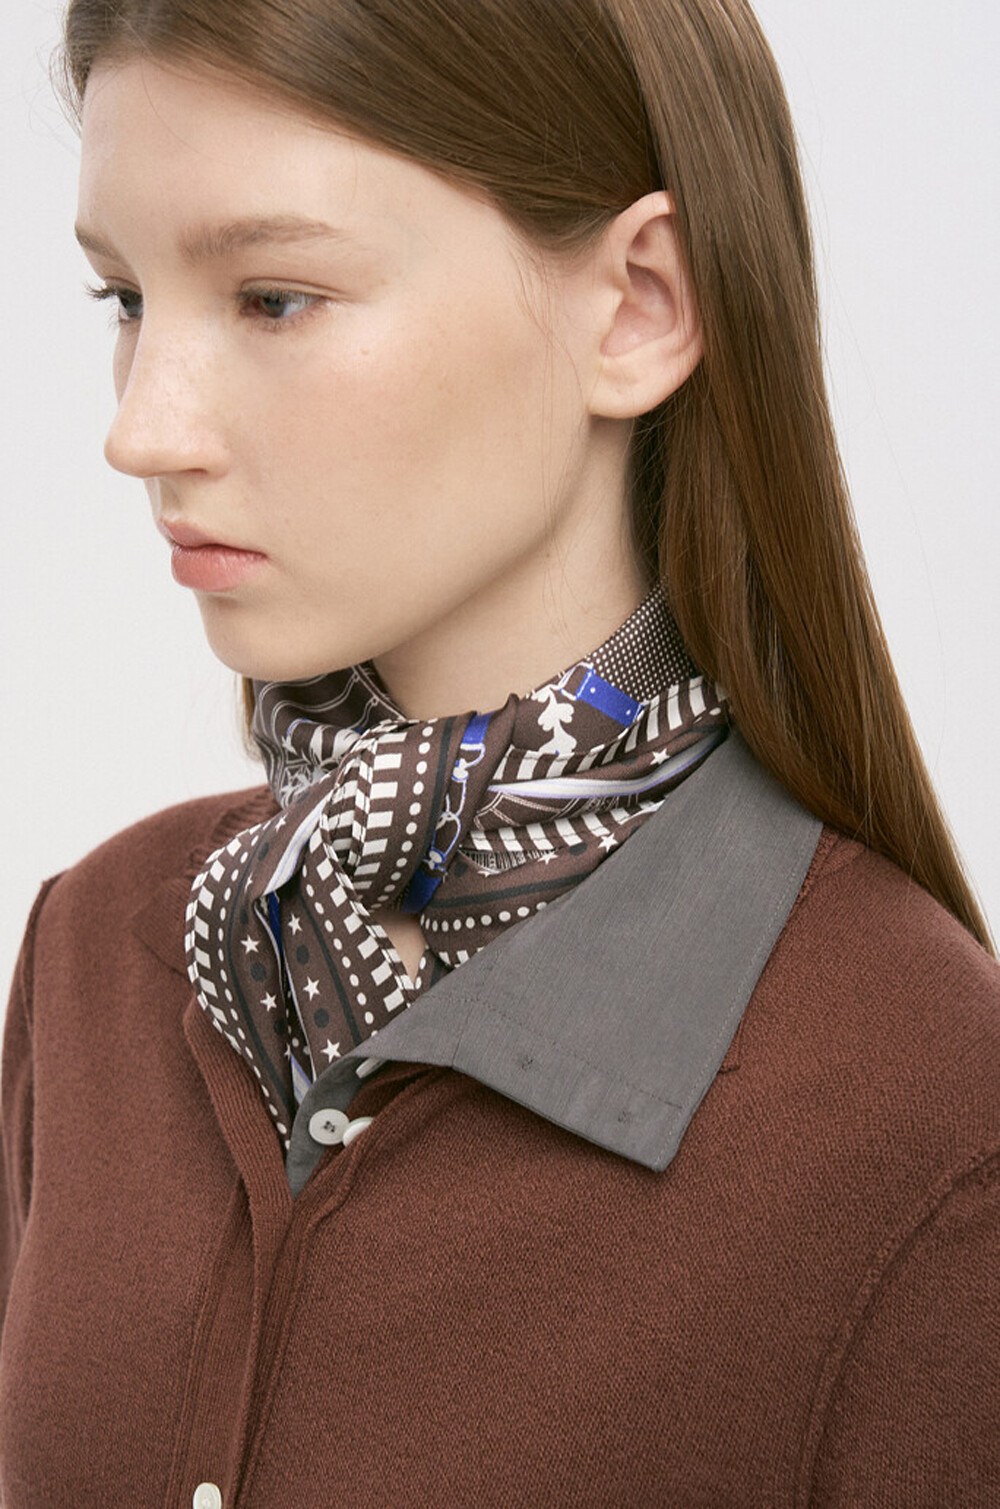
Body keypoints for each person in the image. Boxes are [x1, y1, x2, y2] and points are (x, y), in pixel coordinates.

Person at [1, 0, 997, 1503]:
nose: (143, 431)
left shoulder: (921, 1123)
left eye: (274, 298)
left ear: (637, 307)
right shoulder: (96, 953)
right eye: (125, 298)